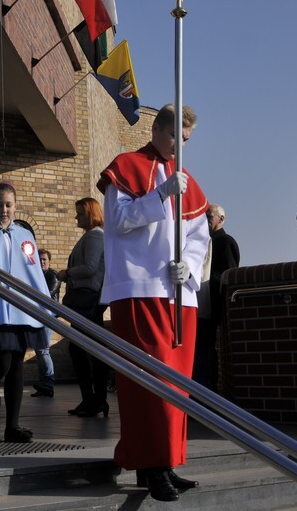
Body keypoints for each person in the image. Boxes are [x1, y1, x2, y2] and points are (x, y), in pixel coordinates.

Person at [98, 104, 209, 502]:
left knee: (177, 385)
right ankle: (150, 463)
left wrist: (190, 266)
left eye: (187, 141)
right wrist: (160, 193)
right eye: (175, 136)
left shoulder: (187, 180)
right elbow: (118, 219)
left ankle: (167, 462)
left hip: (178, 293)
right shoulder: (126, 166)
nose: (179, 145)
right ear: (157, 128)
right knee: (149, 383)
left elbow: (199, 233)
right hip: (140, 286)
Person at [0, 182, 51, 443]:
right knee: (1, 362)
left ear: (15, 206)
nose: (4, 210)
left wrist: (44, 303)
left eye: (8, 205)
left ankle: (12, 426)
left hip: (20, 310)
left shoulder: (24, 236)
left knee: (17, 364)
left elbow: (33, 272)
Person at [57, 197, 109, 417]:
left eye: (79, 213)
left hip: (89, 299)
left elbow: (89, 267)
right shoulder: (92, 236)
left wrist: (67, 274)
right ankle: (95, 399)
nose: (76, 217)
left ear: (90, 213)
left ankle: (94, 399)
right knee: (88, 349)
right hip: (88, 299)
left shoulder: (96, 236)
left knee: (82, 349)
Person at [193, 204, 240, 393]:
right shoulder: (203, 242)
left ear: (221, 219)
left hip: (211, 304)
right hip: (200, 302)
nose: (205, 220)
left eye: (209, 216)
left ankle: (206, 391)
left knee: (205, 349)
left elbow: (229, 275)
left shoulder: (226, 242)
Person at [30, 248, 60, 398]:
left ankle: (48, 383)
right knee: (39, 351)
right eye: (39, 259)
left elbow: (48, 295)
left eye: (44, 259)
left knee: (43, 350)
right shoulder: (37, 275)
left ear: (49, 261)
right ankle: (43, 385)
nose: (42, 262)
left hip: (48, 316)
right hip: (38, 316)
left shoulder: (52, 276)